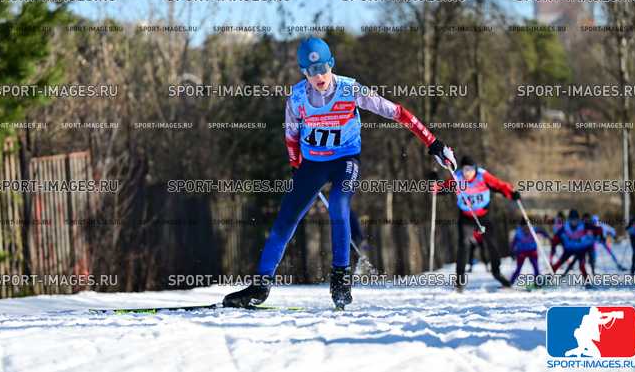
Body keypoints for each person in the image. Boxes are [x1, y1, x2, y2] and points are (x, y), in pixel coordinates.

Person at [222, 37, 457, 309]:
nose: (318, 76)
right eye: (311, 71)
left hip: (345, 160)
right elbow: (291, 137)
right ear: (303, 72)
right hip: (312, 164)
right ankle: (260, 286)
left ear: (331, 64)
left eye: (322, 68)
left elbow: (398, 113)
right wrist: (296, 165)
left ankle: (341, 279)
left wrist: (434, 143)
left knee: (338, 203)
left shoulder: (350, 89)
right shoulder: (296, 98)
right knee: (286, 218)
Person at [439, 155, 519, 291]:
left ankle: (497, 273)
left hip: (484, 216)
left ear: (475, 169)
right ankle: (460, 280)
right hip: (466, 217)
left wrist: (511, 193)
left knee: (492, 244)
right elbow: (441, 189)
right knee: (463, 245)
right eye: (465, 169)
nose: (467, 173)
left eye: (470, 169)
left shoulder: (483, 176)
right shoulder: (456, 178)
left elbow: (499, 185)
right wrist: (434, 182)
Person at [551, 209, 594, 278]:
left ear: (578, 219)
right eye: (572, 219)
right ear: (569, 219)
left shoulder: (583, 226)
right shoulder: (566, 226)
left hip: (580, 249)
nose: (574, 222)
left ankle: (587, 280)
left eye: (575, 219)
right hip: (569, 249)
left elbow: (590, 236)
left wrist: (582, 239)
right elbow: (557, 235)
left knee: (582, 266)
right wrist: (557, 240)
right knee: (558, 263)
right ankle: (548, 277)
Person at [509, 217, 550, 285]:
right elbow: (513, 243)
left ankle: (538, 282)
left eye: (527, 227)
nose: (526, 229)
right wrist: (512, 252)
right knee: (518, 268)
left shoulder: (533, 229)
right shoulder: (518, 232)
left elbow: (541, 231)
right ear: (521, 226)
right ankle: (510, 282)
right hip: (522, 252)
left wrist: (547, 236)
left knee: (536, 267)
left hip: (532, 251)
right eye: (524, 227)